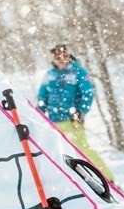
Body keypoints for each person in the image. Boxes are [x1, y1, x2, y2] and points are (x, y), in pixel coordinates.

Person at [36, 42, 115, 182]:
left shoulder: (78, 72)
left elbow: (87, 94)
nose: (59, 58)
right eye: (56, 56)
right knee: (58, 154)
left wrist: (81, 111)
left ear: (67, 56)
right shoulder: (50, 75)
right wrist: (39, 114)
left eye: (62, 55)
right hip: (53, 122)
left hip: (72, 121)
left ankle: (107, 179)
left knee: (83, 151)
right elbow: (42, 97)